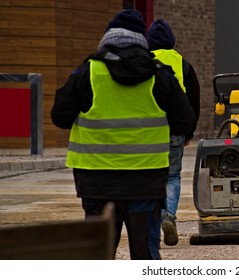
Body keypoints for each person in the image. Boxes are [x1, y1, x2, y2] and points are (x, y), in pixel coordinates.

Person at [50, 10, 196, 260]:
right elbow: (185, 120)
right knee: (145, 256)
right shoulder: (158, 75)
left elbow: (59, 116)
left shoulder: (88, 73)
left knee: (99, 255)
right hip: (146, 183)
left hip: (97, 184)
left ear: (107, 38)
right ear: (142, 40)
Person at [147, 19, 200, 246]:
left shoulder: (144, 63)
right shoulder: (183, 64)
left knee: (150, 177)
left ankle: (152, 224)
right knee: (172, 176)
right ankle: (169, 216)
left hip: (149, 131)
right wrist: (189, 131)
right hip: (175, 130)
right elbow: (194, 101)